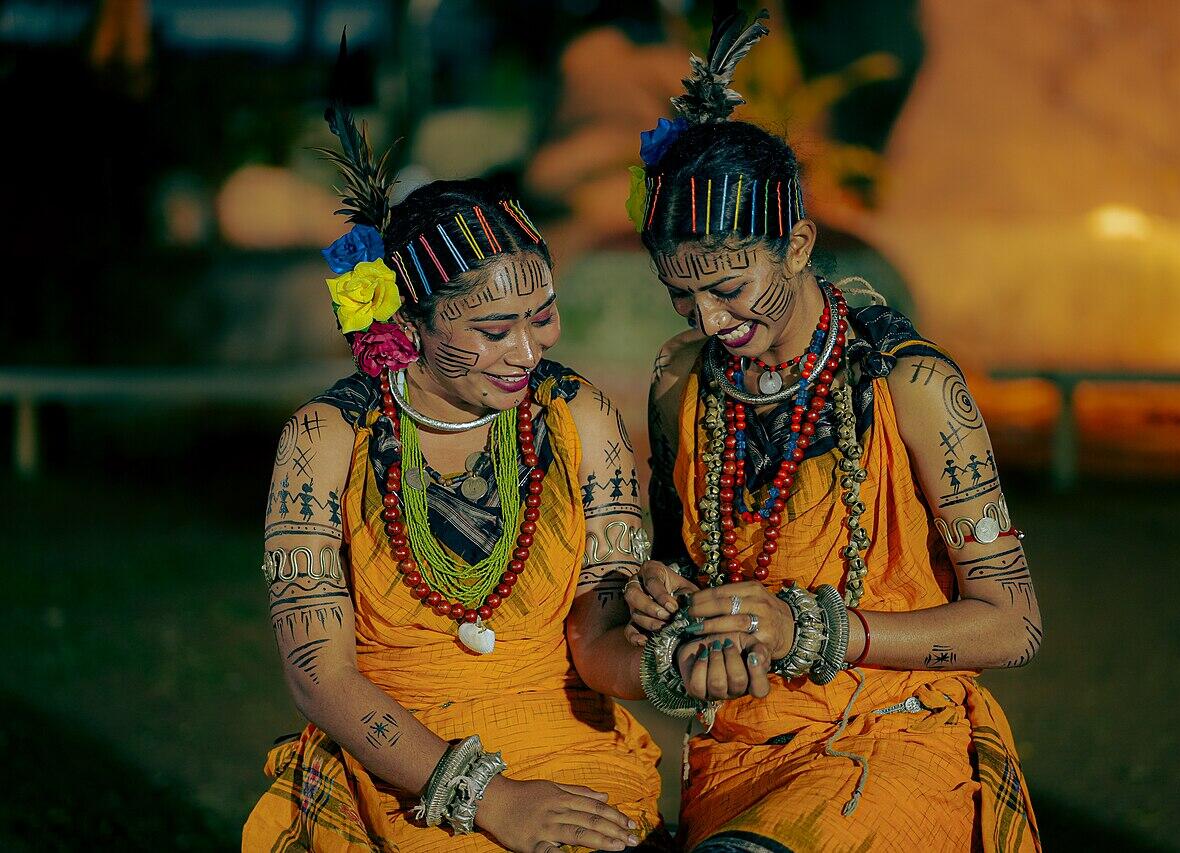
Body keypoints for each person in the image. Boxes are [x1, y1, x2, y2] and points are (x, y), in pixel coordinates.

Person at [622, 6, 1042, 851]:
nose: (710, 319)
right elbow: (683, 562)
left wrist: (815, 629)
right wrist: (661, 597)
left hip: (887, 738)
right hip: (736, 753)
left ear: (799, 243)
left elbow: (1013, 623)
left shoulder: (912, 386)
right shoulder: (680, 383)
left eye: (730, 288)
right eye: (681, 295)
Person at [243, 87, 668, 852]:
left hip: (568, 742)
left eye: (542, 315)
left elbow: (599, 639)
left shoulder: (578, 416)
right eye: (494, 329)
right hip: (399, 764)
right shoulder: (326, 439)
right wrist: (490, 798)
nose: (528, 350)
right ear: (409, 324)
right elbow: (319, 675)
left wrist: (673, 653)